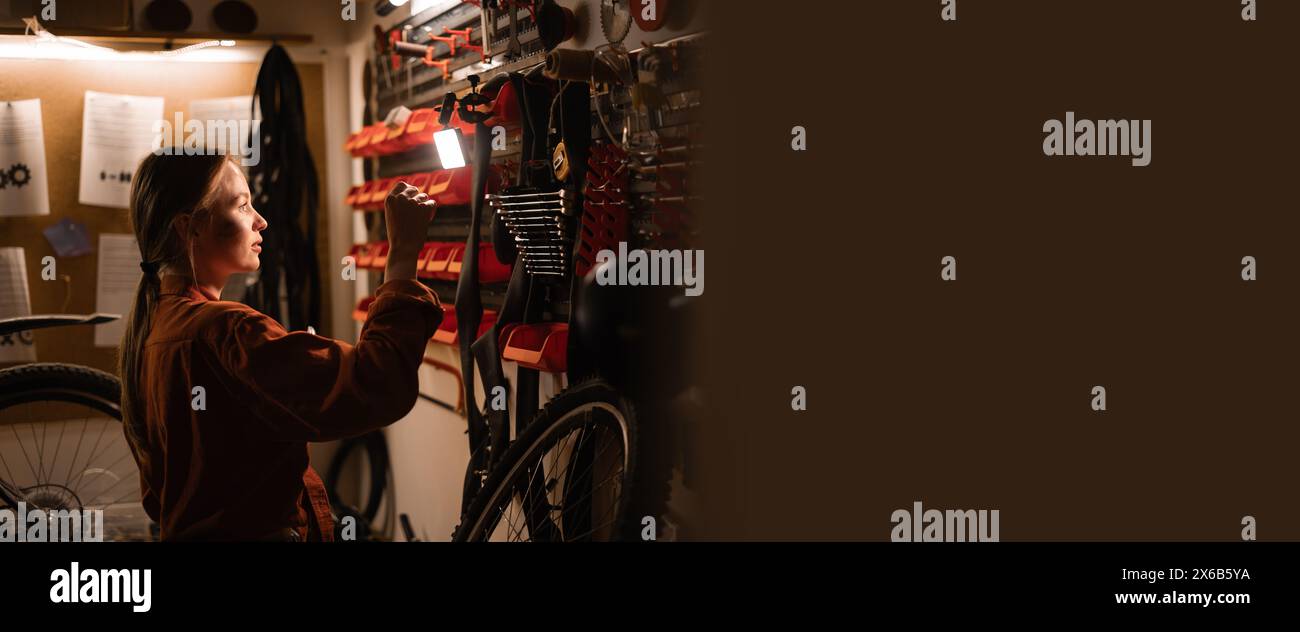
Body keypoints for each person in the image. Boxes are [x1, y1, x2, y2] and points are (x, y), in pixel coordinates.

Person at [118, 152, 441, 541]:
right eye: (241, 205)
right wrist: (403, 255)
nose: (261, 220)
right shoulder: (226, 331)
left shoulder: (152, 331)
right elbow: (375, 383)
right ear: (190, 228)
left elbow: (160, 495)